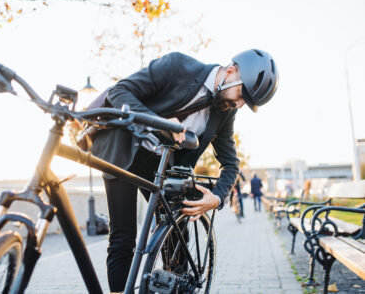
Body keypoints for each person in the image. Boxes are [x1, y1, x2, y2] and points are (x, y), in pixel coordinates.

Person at [91, 49, 279, 293]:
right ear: (231, 72)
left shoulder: (226, 111)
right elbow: (119, 92)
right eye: (242, 95)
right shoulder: (178, 65)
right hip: (125, 149)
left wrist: (218, 197)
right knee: (122, 239)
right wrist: (161, 124)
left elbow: (231, 163)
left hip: (165, 167)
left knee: (177, 239)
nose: (239, 105)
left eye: (246, 103)